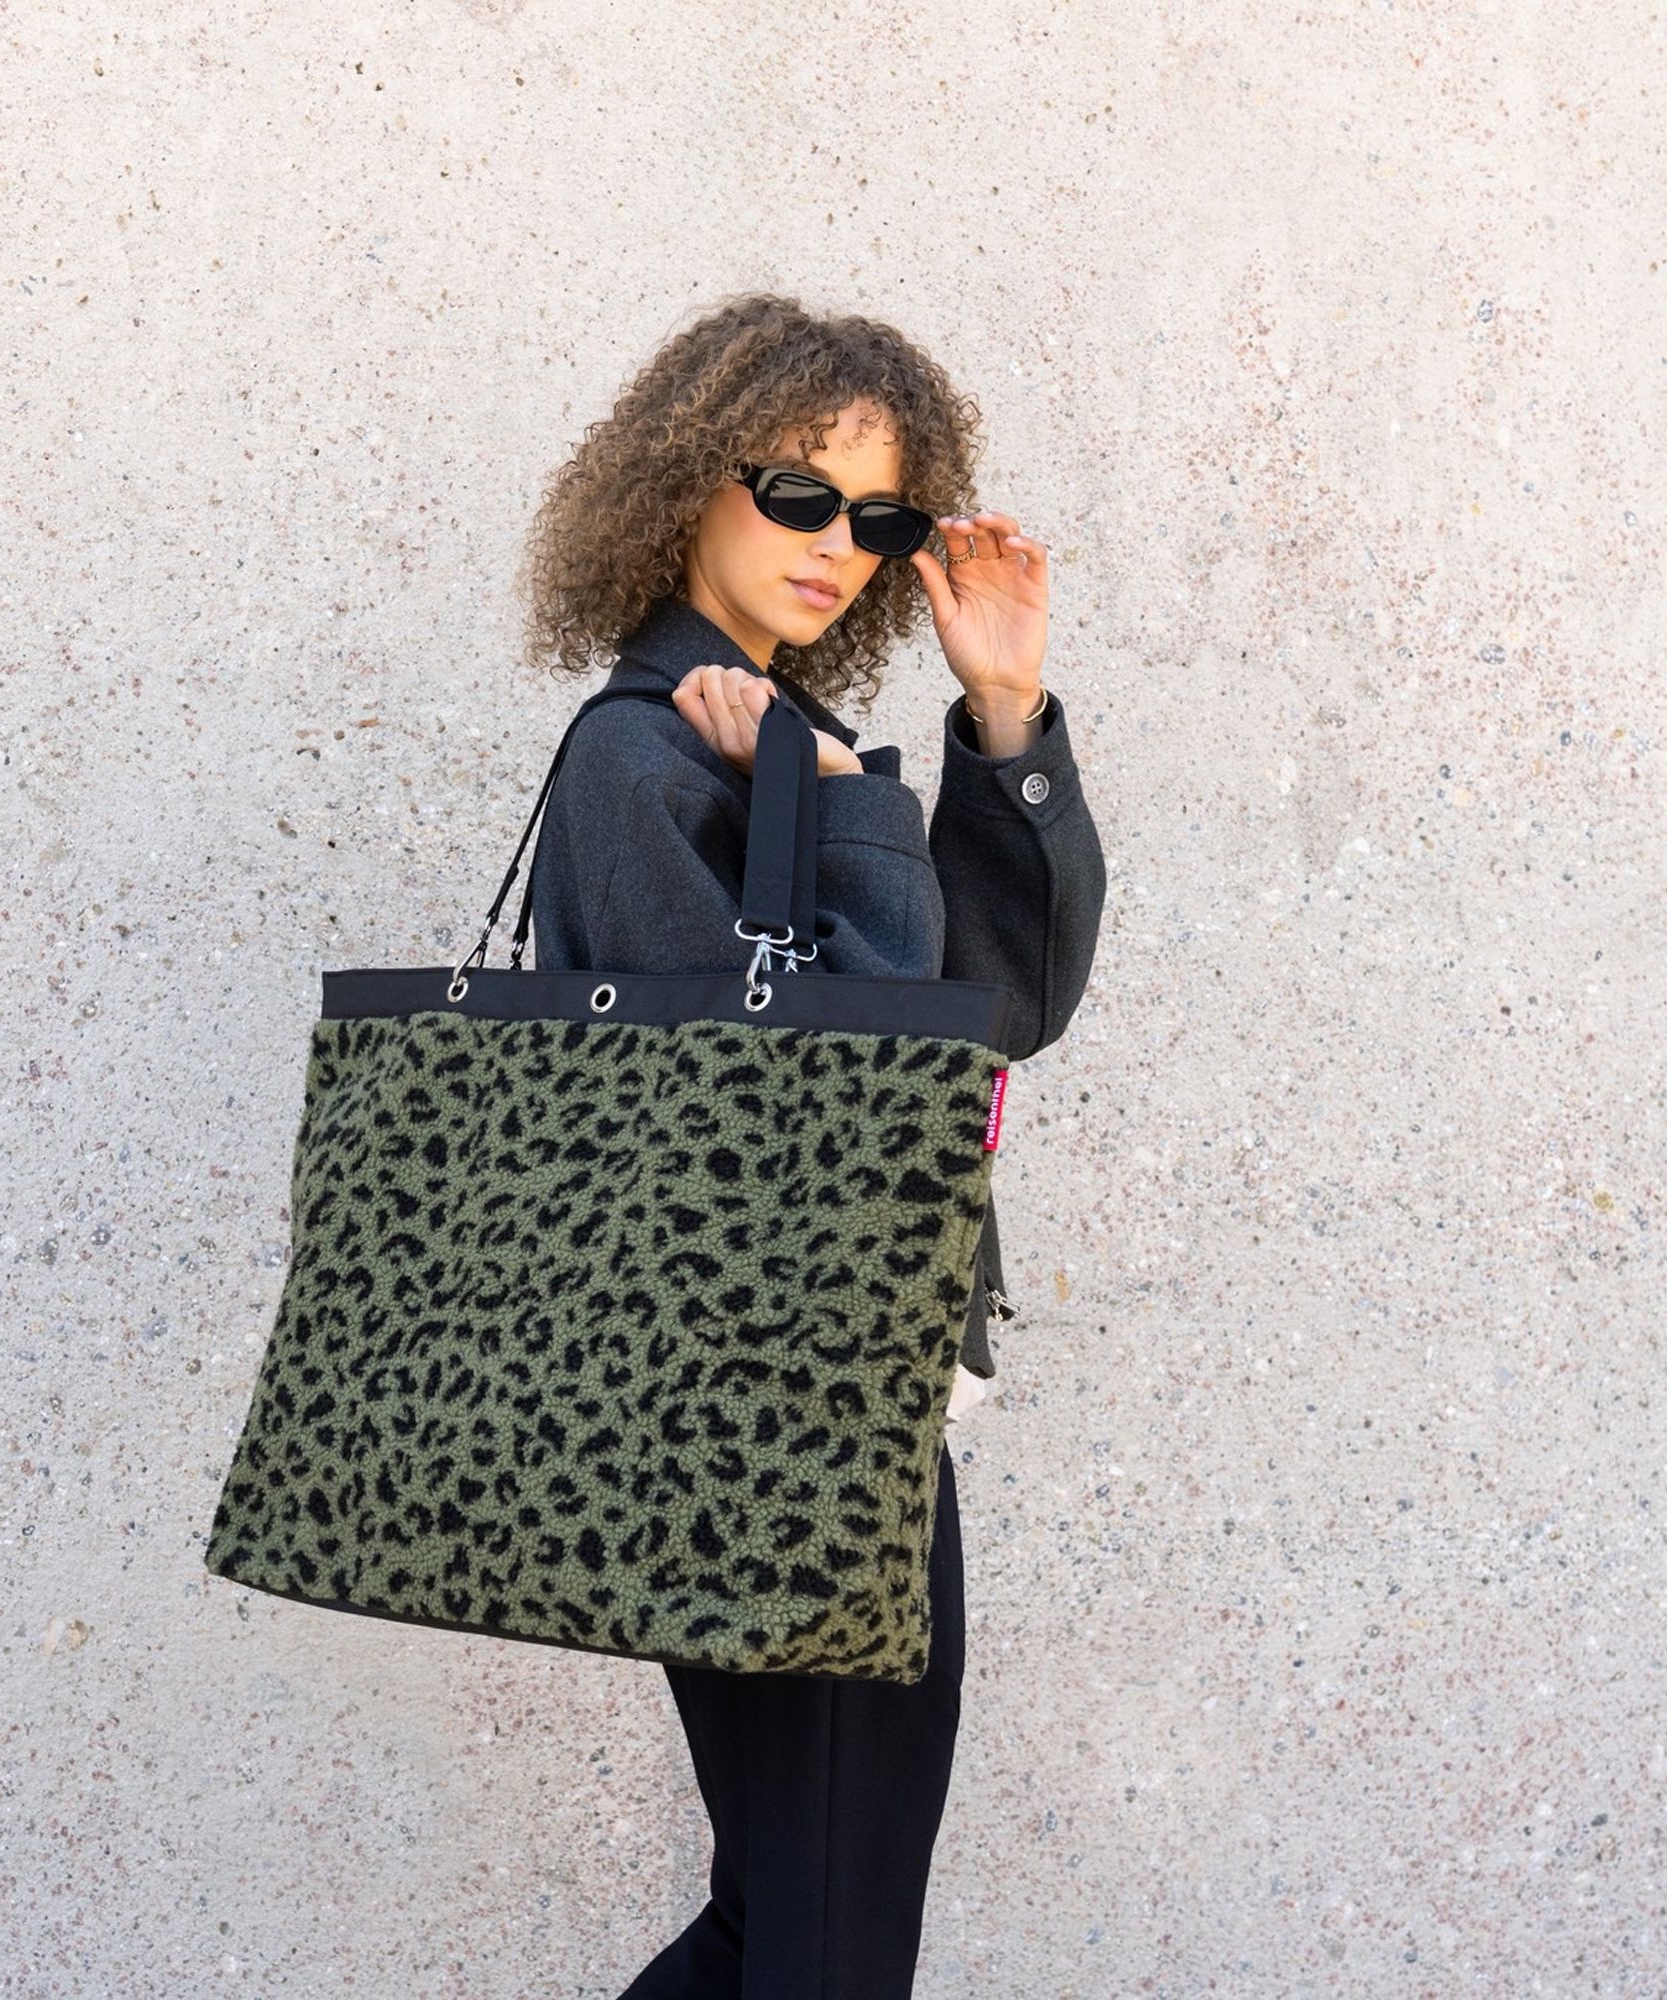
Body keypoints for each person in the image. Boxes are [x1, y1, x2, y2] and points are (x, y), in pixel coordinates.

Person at [516, 292, 1107, 1999]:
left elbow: (991, 1016)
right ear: (685, 483)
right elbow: (813, 1102)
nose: (839, 547)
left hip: (839, 1393)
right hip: (762, 1415)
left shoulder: (773, 749)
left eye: (882, 519)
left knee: (798, 1933)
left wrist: (1002, 719)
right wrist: (847, 799)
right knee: (826, 1950)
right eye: (796, 496)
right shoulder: (646, 756)